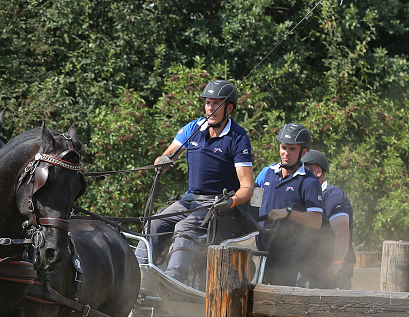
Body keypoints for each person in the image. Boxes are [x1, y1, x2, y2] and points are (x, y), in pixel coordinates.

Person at [137, 79, 254, 283]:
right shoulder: (194, 127)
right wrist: (162, 162)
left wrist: (231, 201)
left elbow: (247, 187)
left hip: (218, 203)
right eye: (208, 103)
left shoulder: (238, 136)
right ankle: (137, 276)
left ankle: (171, 283)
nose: (210, 108)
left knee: (185, 228)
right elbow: (165, 156)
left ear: (229, 108)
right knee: (154, 222)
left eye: (216, 104)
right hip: (190, 199)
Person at [256, 123, 324, 286]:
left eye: (292, 149)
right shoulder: (266, 173)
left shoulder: (309, 182)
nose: (286, 153)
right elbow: (253, 203)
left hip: (287, 261)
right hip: (259, 254)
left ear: (303, 152)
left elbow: (316, 221)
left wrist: (288, 212)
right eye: (283, 147)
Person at [302, 149, 355, 289]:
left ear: (318, 172)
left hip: (333, 270)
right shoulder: (304, 196)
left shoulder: (333, 195)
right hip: (312, 268)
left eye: (304, 168)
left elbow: (342, 232)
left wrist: (337, 263)